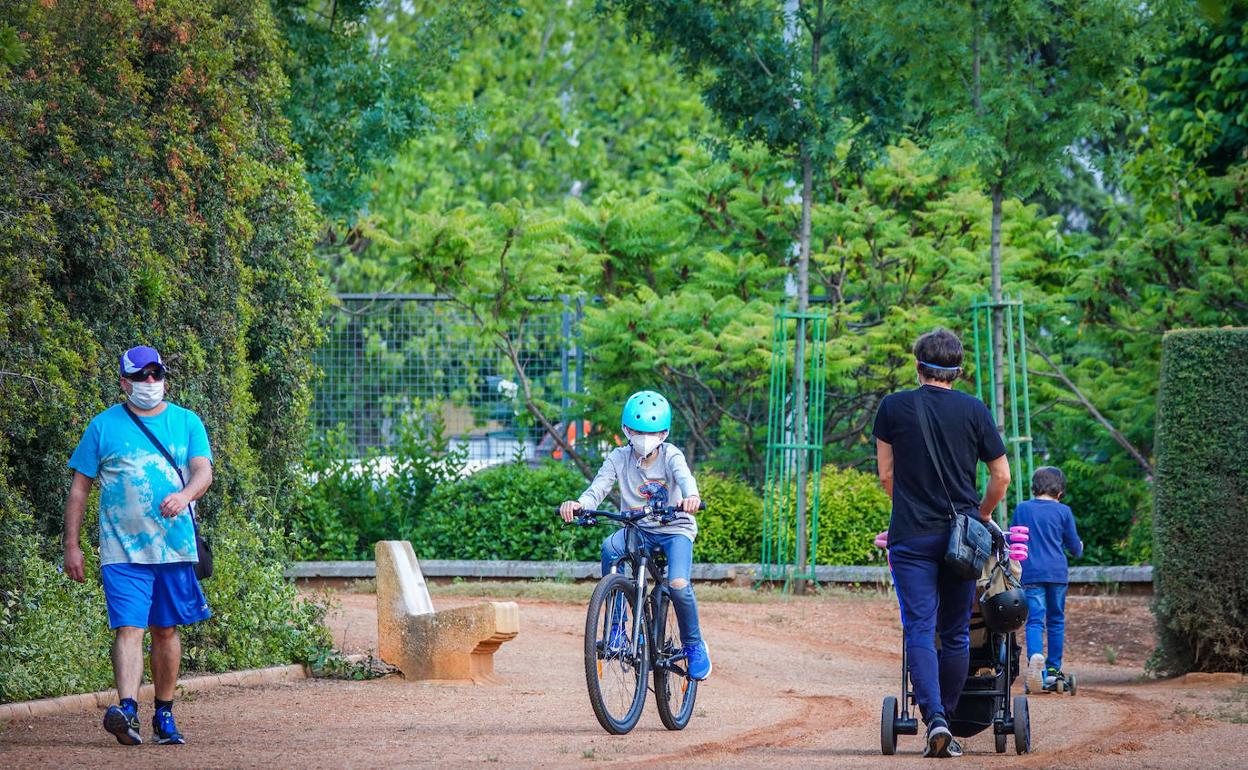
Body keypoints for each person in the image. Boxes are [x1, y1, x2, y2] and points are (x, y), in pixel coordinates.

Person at [62, 345, 213, 746]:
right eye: (141, 375)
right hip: (122, 551)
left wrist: (184, 496)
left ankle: (164, 713)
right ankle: (126, 708)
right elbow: (79, 489)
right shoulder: (103, 426)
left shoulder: (186, 422)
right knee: (129, 627)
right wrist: (71, 545)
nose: (150, 382)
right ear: (123, 382)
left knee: (165, 629)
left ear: (163, 377)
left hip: (174, 549)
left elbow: (203, 471)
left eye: (156, 374)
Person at [874, 329, 1011, 758]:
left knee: (919, 626)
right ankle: (945, 720)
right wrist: (982, 515)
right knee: (954, 632)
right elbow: (1001, 477)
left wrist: (911, 507)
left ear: (918, 367)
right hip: (963, 539)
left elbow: (886, 475)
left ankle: (931, 716)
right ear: (959, 371)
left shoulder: (893, 407)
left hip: (911, 536)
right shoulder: (974, 410)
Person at [558, 390, 710, 680]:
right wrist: (579, 505)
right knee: (610, 549)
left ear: (664, 433)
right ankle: (617, 628)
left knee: (677, 583)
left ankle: (693, 645)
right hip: (638, 529)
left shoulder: (671, 456)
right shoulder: (618, 457)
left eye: (651, 432)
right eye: (638, 431)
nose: (644, 437)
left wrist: (691, 497)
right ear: (626, 430)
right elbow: (597, 489)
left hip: (674, 529)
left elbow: (685, 479)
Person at [1011, 466, 1083, 694]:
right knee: (1055, 621)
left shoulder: (1022, 509)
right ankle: (1053, 671)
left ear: (1034, 487)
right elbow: (1074, 546)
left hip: (1030, 572)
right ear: (1060, 491)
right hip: (1057, 574)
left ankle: (1035, 663)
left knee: (1034, 620)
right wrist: (1078, 547)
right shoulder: (1064, 512)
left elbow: (1014, 538)